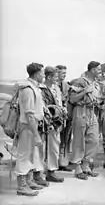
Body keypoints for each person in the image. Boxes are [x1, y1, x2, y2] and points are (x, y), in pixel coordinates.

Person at [15, 63, 46, 196]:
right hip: (28, 127)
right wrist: (36, 135)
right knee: (24, 155)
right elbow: (29, 115)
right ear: (37, 74)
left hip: (32, 126)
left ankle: (29, 181)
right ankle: (21, 187)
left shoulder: (34, 87)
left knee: (31, 155)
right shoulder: (28, 89)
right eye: (43, 73)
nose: (44, 75)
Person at [69, 61, 102, 180]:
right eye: (98, 69)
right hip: (80, 110)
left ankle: (86, 165)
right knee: (79, 140)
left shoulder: (96, 83)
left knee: (94, 139)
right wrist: (84, 92)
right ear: (92, 70)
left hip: (92, 111)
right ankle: (77, 168)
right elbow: (72, 99)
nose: (100, 71)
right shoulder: (80, 81)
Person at [39, 66, 66, 183]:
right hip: (45, 123)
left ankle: (51, 171)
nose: (57, 78)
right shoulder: (41, 89)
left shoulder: (56, 88)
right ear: (49, 77)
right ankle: (39, 173)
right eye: (55, 76)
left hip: (56, 123)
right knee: (42, 148)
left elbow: (60, 102)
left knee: (54, 147)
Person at [55, 65, 73, 172]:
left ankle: (63, 162)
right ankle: (54, 163)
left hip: (66, 116)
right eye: (62, 73)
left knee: (65, 139)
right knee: (56, 140)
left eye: (65, 74)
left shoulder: (66, 85)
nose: (64, 76)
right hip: (56, 117)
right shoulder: (51, 86)